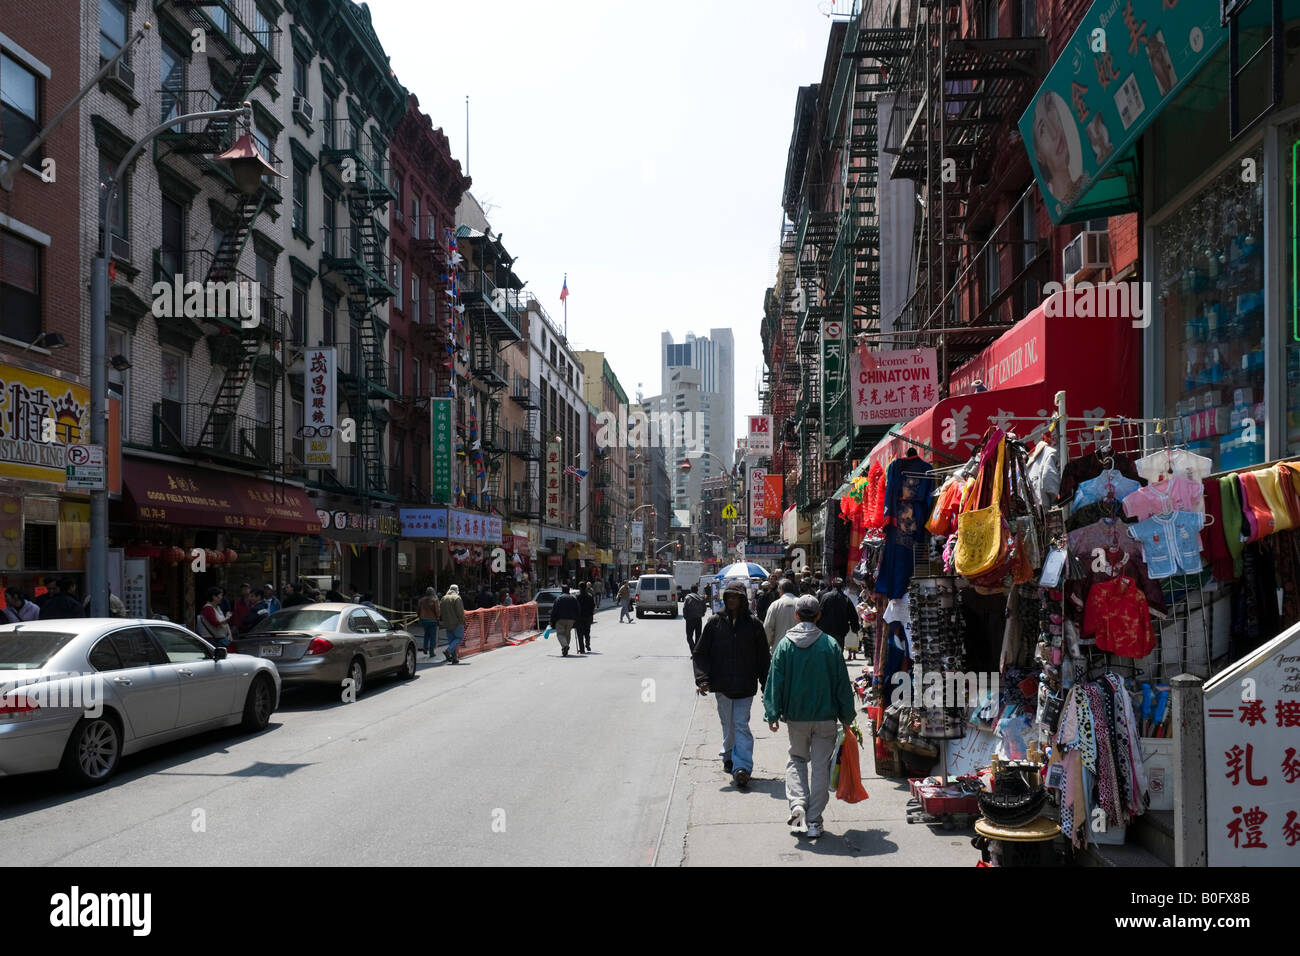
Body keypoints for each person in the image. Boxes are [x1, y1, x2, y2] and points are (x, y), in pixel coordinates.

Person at [764, 595, 858, 839]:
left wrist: (772, 712)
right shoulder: (829, 644)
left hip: (796, 717)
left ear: (796, 615)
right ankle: (814, 820)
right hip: (826, 717)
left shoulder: (784, 645)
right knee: (820, 767)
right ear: (818, 616)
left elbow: (775, 682)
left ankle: (797, 804)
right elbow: (841, 685)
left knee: (796, 759)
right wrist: (847, 716)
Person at [692, 580, 771, 789]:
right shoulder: (714, 623)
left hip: (745, 686)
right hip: (722, 686)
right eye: (729, 597)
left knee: (741, 725)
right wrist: (702, 679)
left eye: (736, 597)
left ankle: (742, 768)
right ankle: (729, 755)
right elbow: (700, 654)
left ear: (743, 599)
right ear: (725, 599)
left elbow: (763, 659)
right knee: (728, 724)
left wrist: (767, 686)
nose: (732, 600)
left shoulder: (754, 625)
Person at [818, 577, 861, 659]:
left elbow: (819, 613)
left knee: (827, 653)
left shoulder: (825, 597)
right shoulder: (846, 599)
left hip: (826, 631)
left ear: (832, 585)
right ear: (842, 586)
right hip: (840, 632)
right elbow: (853, 616)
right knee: (838, 653)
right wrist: (855, 628)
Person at [762, 578, 801, 651]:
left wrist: (768, 644)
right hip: (798, 647)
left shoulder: (775, 605)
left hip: (779, 648)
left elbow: (768, 628)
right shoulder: (800, 603)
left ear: (781, 589)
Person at [550, 584, 581, 657]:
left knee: (560, 634)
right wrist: (577, 618)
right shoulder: (573, 598)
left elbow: (554, 610)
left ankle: (565, 646)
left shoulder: (559, 598)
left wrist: (551, 619)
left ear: (562, 590)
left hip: (560, 619)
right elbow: (578, 609)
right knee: (567, 633)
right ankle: (565, 648)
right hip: (571, 619)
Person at [440, 584, 466, 664]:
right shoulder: (457, 598)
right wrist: (463, 622)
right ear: (457, 590)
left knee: (452, 641)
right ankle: (448, 651)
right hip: (457, 623)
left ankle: (454, 658)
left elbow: (440, 611)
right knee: (459, 638)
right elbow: (460, 612)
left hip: (447, 623)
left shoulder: (443, 598)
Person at [682, 584, 708, 653]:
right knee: (698, 636)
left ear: (691, 590)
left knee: (689, 637)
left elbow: (685, 608)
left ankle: (693, 651)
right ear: (697, 590)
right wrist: (702, 614)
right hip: (698, 619)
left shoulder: (688, 597)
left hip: (690, 620)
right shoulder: (701, 597)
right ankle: (697, 651)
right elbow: (705, 608)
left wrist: (685, 616)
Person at [418, 586, 440, 657]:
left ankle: (425, 647)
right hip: (432, 620)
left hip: (424, 620)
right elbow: (437, 611)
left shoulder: (421, 600)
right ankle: (431, 652)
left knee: (426, 635)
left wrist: (419, 617)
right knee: (432, 637)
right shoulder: (435, 600)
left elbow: (418, 610)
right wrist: (438, 618)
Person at [576, 582, 596, 654]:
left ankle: (582, 649)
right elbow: (593, 606)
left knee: (580, 633)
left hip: (579, 618)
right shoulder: (590, 596)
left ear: (580, 588)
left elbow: (575, 607)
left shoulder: (577, 596)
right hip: (588, 617)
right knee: (587, 632)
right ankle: (587, 644)